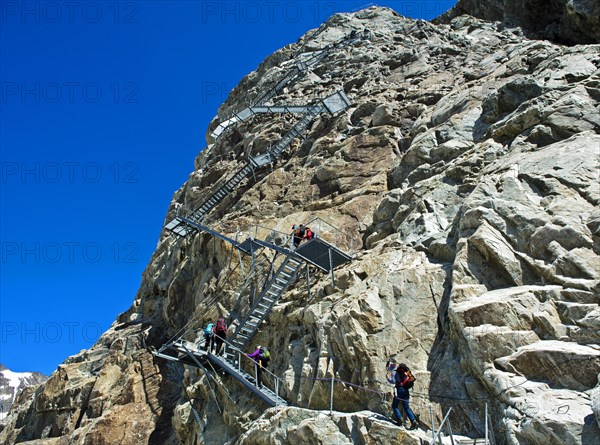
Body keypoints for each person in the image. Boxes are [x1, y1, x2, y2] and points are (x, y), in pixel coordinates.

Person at [393, 363, 417, 429]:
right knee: (406, 407)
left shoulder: (398, 373)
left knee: (394, 405)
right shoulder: (407, 373)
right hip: (406, 391)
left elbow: (397, 381)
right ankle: (413, 420)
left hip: (400, 390)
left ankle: (399, 419)